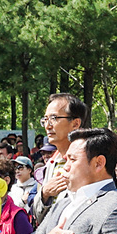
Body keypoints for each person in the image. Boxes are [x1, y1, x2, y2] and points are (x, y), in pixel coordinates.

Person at [30, 94, 86, 223]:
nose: (47, 126)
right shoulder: (51, 163)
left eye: (54, 118)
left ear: (76, 123)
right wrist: (45, 193)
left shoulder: (88, 162)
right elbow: (37, 215)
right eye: (45, 119)